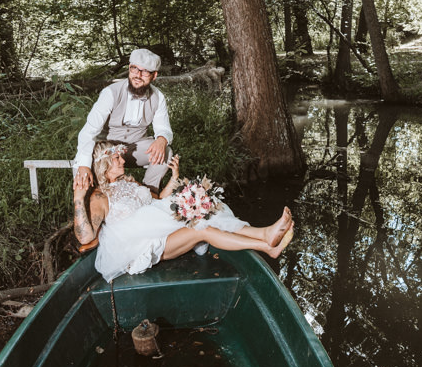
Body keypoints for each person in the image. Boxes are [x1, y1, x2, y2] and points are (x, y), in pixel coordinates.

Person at [73, 141, 294, 283]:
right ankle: (265, 245)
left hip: (161, 230)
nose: (123, 160)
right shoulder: (99, 197)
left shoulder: (129, 182)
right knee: (202, 228)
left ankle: (264, 236)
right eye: (116, 158)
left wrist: (174, 177)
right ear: (104, 164)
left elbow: (158, 201)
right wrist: (78, 198)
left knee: (207, 207)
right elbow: (85, 237)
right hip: (144, 247)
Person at [73, 48, 173, 192]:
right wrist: (83, 165)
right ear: (129, 68)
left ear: (154, 75)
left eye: (145, 72)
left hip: (135, 148)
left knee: (166, 152)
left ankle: (149, 194)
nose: (138, 75)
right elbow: (89, 131)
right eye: (134, 69)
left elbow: (163, 128)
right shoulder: (110, 93)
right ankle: (88, 200)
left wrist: (162, 139)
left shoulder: (158, 97)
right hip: (107, 149)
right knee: (83, 165)